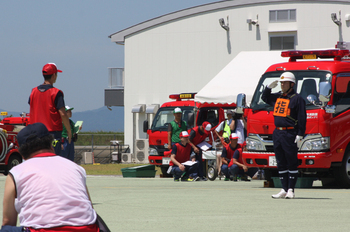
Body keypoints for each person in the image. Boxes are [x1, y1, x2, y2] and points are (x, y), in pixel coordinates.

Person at [1, 123, 98, 231]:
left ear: (22, 155)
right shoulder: (76, 168)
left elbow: (8, 221)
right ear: (51, 145)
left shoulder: (16, 172)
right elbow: (90, 209)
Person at [262, 72, 306, 199]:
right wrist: (268, 88)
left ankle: (291, 189)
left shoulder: (297, 99)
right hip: (278, 133)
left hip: (290, 132)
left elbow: (302, 118)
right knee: (280, 162)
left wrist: (300, 134)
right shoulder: (279, 97)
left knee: (291, 161)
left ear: (292, 84)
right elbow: (265, 98)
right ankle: (284, 189)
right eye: (281, 83)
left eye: (285, 83)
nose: (282, 85)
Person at [28, 63, 72, 156]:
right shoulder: (56, 93)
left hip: (35, 133)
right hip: (52, 133)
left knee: (37, 159)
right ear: (54, 75)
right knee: (52, 161)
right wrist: (69, 131)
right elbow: (63, 114)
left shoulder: (33, 92)